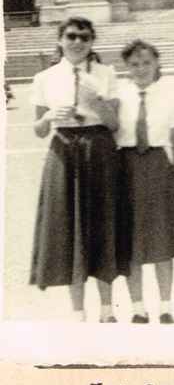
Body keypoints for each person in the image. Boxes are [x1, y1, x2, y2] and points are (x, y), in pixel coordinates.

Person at [30, 17, 127, 322]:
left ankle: (108, 308)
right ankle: (77, 310)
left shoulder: (105, 73)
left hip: (98, 148)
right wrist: (49, 118)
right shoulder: (44, 78)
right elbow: (39, 130)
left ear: (92, 42)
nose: (77, 43)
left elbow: (114, 124)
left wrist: (96, 102)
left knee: (102, 222)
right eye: (71, 36)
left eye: (84, 38)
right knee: (69, 225)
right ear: (60, 40)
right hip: (64, 149)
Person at [117, 40, 174, 324]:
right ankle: (137, 307)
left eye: (146, 63)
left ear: (157, 63)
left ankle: (166, 305)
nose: (141, 68)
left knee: (161, 239)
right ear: (126, 67)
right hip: (127, 166)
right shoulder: (119, 96)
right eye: (134, 64)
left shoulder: (170, 95)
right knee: (131, 239)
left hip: (159, 166)